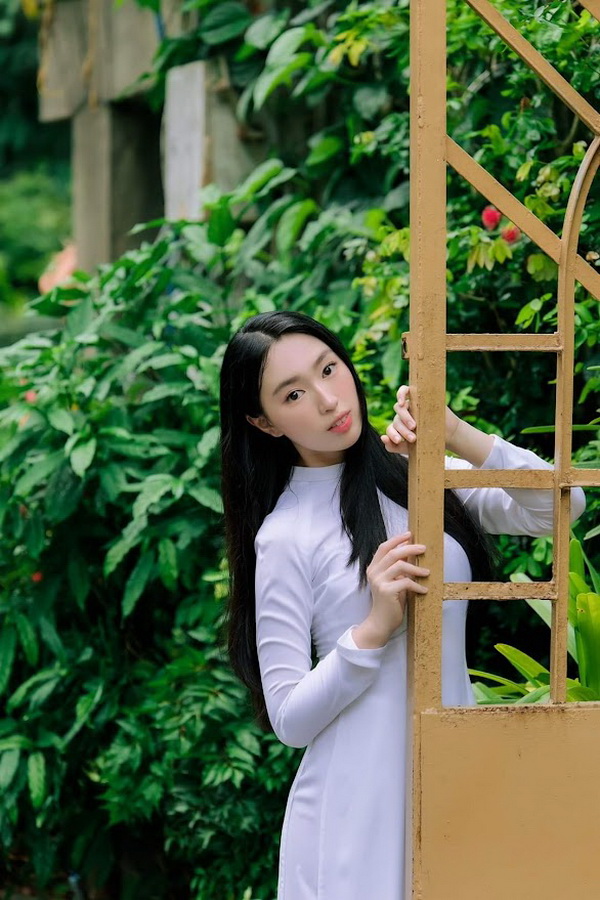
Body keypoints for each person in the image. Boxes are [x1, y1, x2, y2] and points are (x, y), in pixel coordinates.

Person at [219, 310, 585, 900]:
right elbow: (289, 718)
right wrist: (373, 627)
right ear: (264, 422)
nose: (327, 399)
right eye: (293, 394)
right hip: (355, 814)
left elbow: (561, 508)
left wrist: (454, 433)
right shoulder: (285, 535)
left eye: (328, 369)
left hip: (452, 782)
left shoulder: (418, 474)